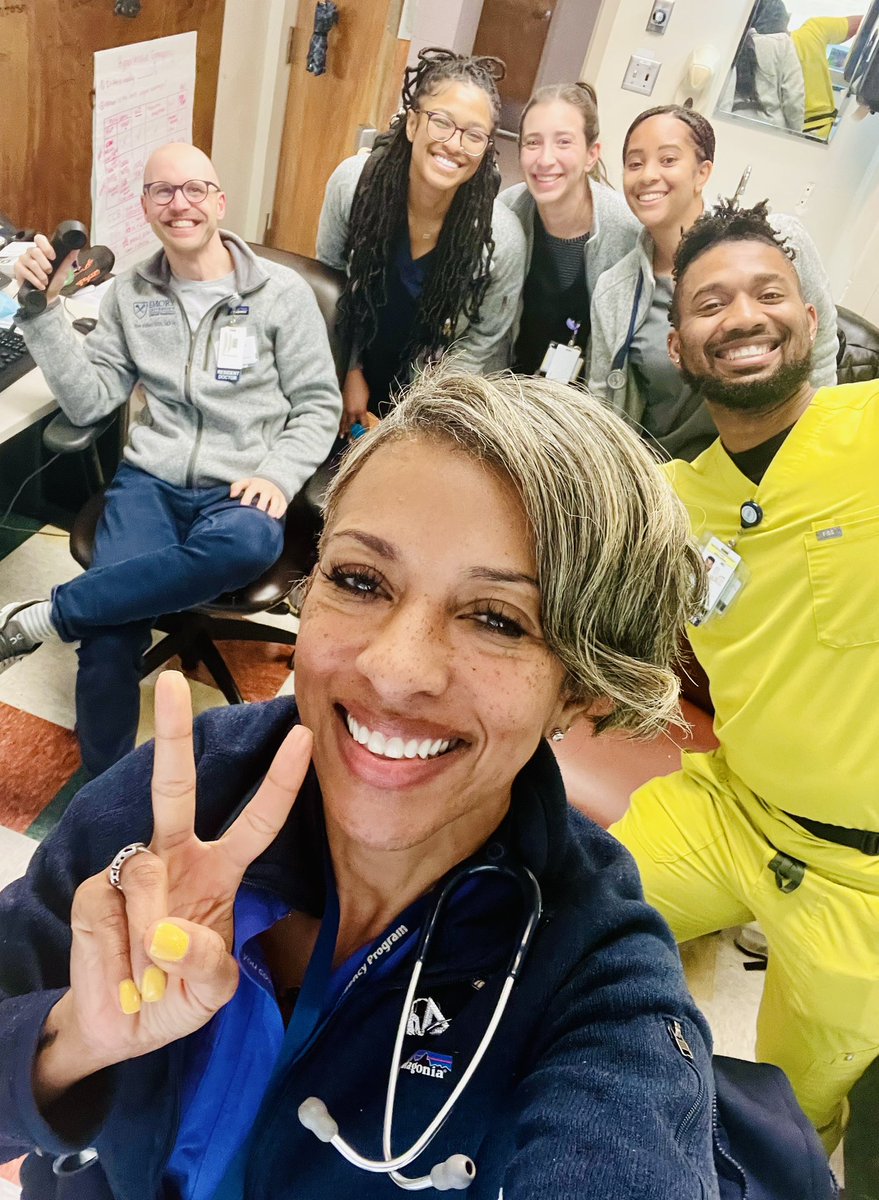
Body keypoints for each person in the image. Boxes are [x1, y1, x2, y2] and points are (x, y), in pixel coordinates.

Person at [0, 370, 723, 1200]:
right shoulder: (188, 797)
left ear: (581, 687)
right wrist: (67, 1043)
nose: (394, 667)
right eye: (359, 581)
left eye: (496, 618)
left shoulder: (592, 973)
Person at [611, 200, 879, 1157]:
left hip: (863, 880)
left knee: (786, 1117)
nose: (742, 317)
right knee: (555, 895)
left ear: (812, 319)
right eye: (709, 304)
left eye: (769, 293)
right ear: (681, 347)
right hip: (730, 810)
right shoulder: (679, 501)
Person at [1, 142, 341, 777]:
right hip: (150, 484)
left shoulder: (279, 294)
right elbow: (89, 402)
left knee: (245, 549)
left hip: (242, 482)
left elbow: (319, 405)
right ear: (146, 208)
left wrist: (278, 473)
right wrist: (41, 313)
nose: (179, 203)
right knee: (108, 640)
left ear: (219, 200)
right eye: (163, 191)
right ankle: (104, 796)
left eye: (194, 189)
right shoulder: (131, 292)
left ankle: (49, 614)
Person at [587, 105, 838, 461]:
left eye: (668, 160)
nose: (648, 176)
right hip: (667, 476)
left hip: (775, 464)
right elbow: (604, 405)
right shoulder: (615, 289)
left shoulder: (779, 244)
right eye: (635, 163)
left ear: (702, 172)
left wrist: (816, 452)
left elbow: (823, 349)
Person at [316, 47, 526, 433]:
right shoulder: (353, 186)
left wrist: (411, 422)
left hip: (439, 407)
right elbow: (328, 290)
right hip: (345, 381)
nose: (454, 144)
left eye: (474, 134)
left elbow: (481, 348)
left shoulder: (503, 240)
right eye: (441, 121)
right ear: (413, 123)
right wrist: (350, 368)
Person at [498, 81, 640, 378]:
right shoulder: (507, 214)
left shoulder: (628, 232)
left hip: (585, 408)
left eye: (563, 142)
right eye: (533, 142)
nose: (545, 159)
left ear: (591, 155)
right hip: (507, 395)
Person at [790, 13, 863, 138]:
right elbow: (862, 23)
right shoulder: (811, 33)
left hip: (782, 132)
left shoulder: (752, 53)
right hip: (818, 128)